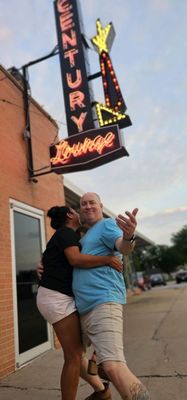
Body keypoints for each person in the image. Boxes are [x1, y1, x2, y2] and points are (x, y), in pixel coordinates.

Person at [36, 205, 123, 400]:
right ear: (69, 215)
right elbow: (75, 259)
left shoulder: (68, 235)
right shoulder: (66, 233)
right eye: (76, 210)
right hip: (56, 297)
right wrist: (107, 260)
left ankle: (102, 391)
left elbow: (50, 261)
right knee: (73, 356)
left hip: (58, 297)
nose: (79, 212)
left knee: (77, 353)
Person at [72, 192, 151, 400]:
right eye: (83, 204)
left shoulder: (106, 225)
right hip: (83, 308)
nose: (87, 206)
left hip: (103, 302)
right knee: (74, 359)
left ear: (101, 206)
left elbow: (122, 247)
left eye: (92, 203)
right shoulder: (85, 236)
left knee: (114, 366)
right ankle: (102, 391)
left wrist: (128, 236)